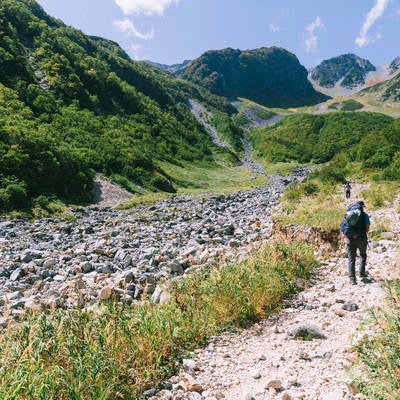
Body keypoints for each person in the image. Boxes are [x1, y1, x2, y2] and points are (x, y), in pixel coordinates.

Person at [340, 200, 370, 285]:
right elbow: (367, 229)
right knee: (363, 255)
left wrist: (350, 237)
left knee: (351, 258)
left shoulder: (347, 215)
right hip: (361, 238)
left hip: (350, 239)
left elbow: (343, 230)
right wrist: (360, 234)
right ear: (362, 207)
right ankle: (362, 273)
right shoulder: (365, 216)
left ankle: (352, 279)